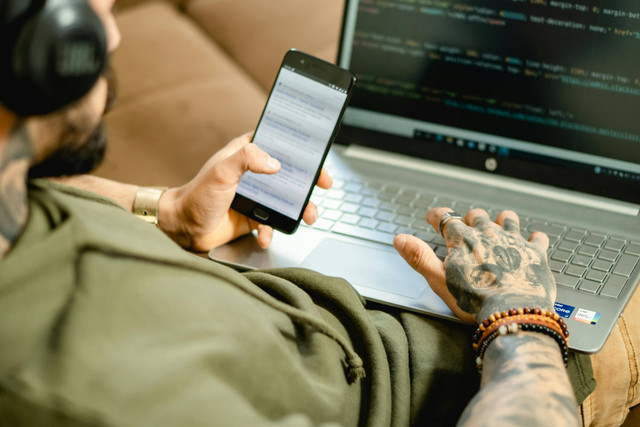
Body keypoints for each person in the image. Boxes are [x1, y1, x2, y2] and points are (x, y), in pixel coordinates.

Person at [0, 0, 637, 425]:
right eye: (93, 15)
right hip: (483, 372)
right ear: (37, 55)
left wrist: (166, 210)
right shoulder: (79, 393)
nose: (113, 35)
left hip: (276, 289)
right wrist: (520, 315)